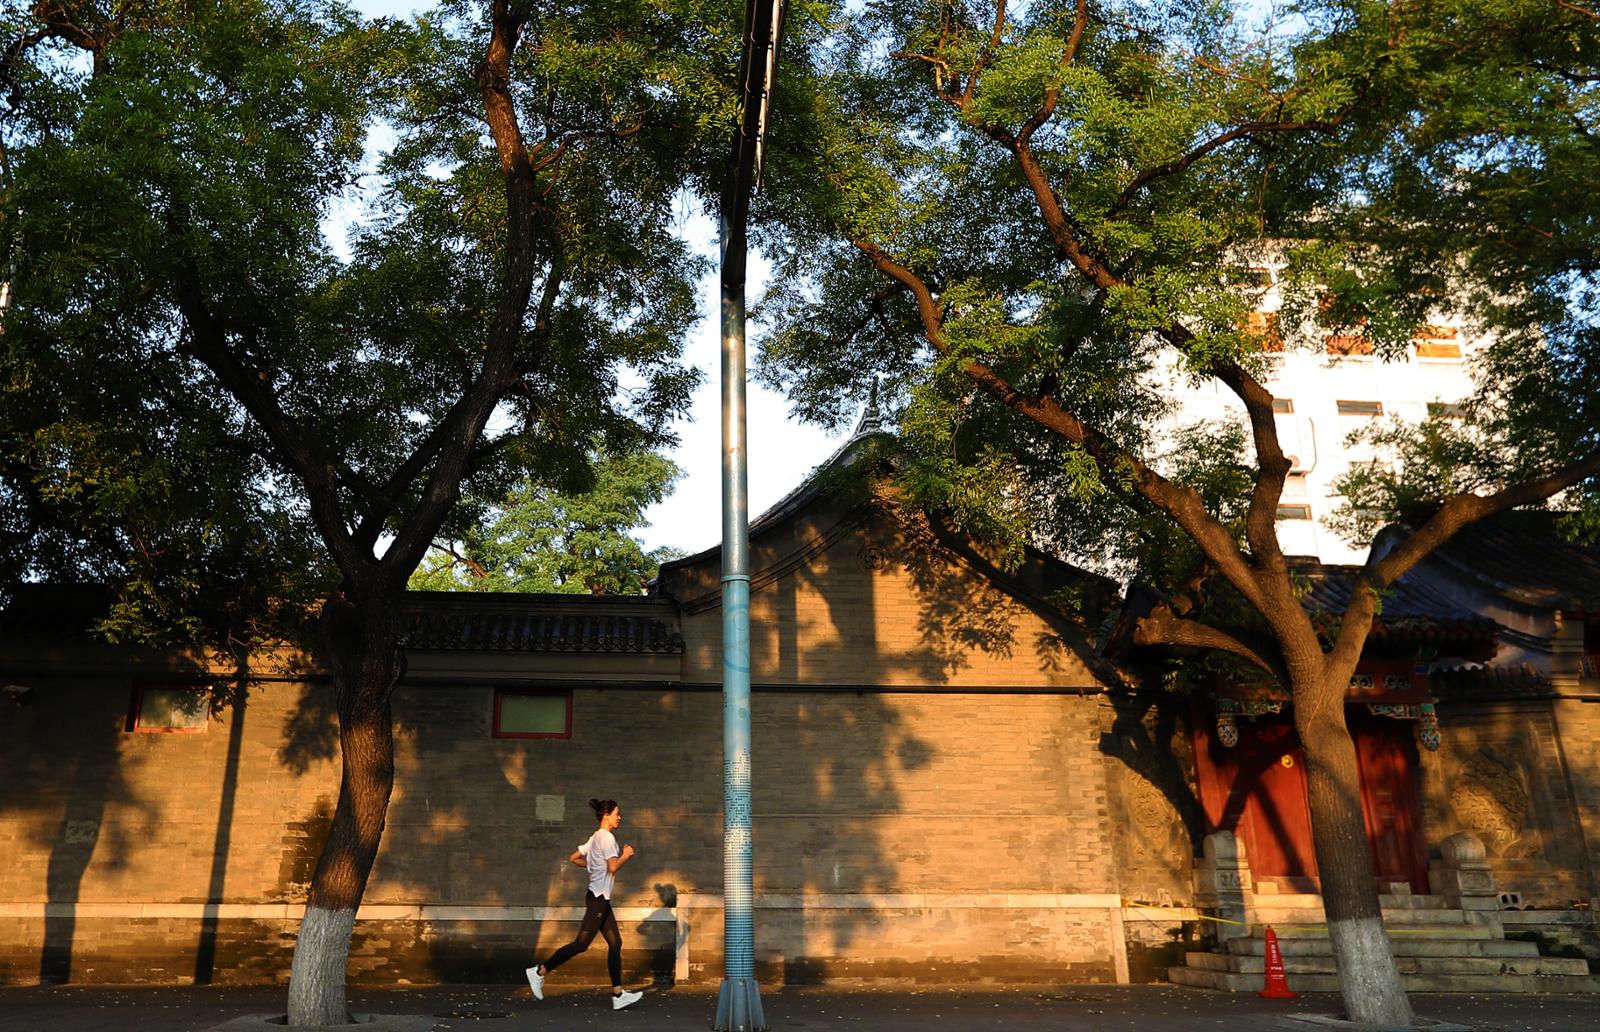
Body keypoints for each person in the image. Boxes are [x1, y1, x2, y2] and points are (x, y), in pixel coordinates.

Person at [526, 798, 642, 1011]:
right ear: (606, 815)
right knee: (581, 944)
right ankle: (539, 971)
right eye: (617, 813)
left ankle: (618, 995)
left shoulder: (595, 837)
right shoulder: (607, 838)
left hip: (600, 898)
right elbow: (613, 867)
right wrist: (625, 855)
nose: (619, 817)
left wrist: (593, 866)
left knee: (615, 943)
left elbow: (574, 858)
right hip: (598, 899)